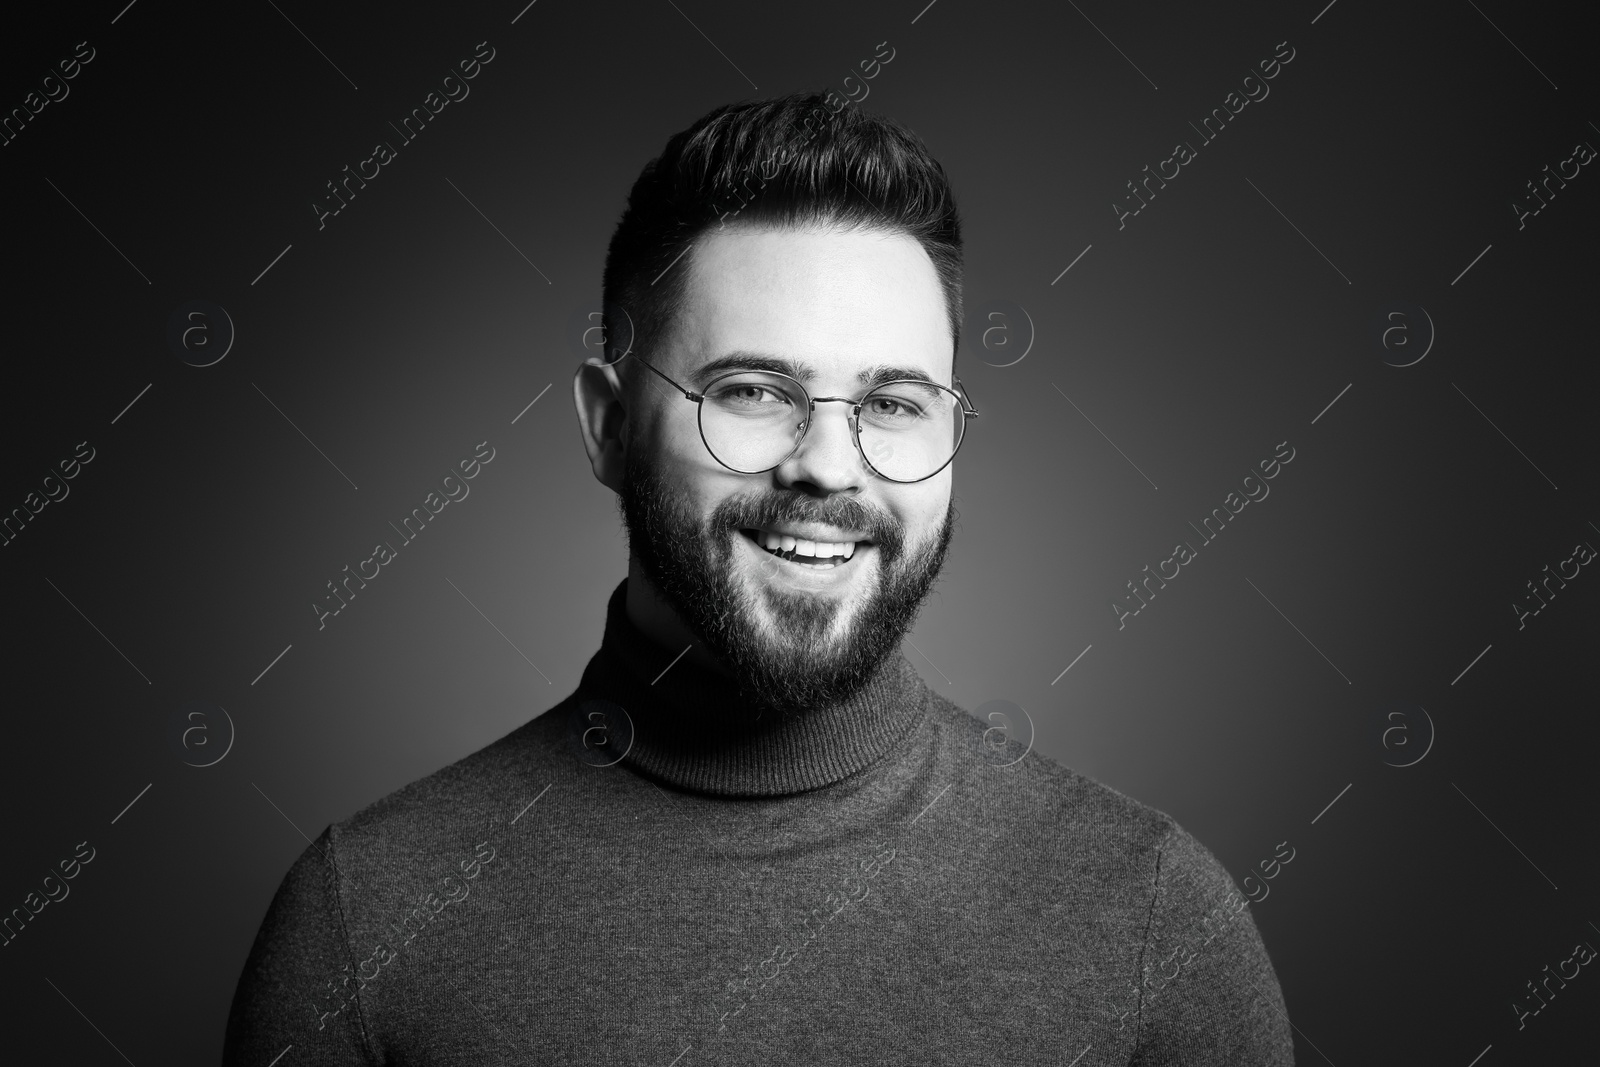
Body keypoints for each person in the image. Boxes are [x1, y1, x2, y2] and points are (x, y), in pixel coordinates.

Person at [222, 91, 1294, 1065]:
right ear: (608, 426)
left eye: (894, 404)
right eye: (752, 389)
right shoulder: (364, 927)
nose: (828, 465)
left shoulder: (1155, 919)